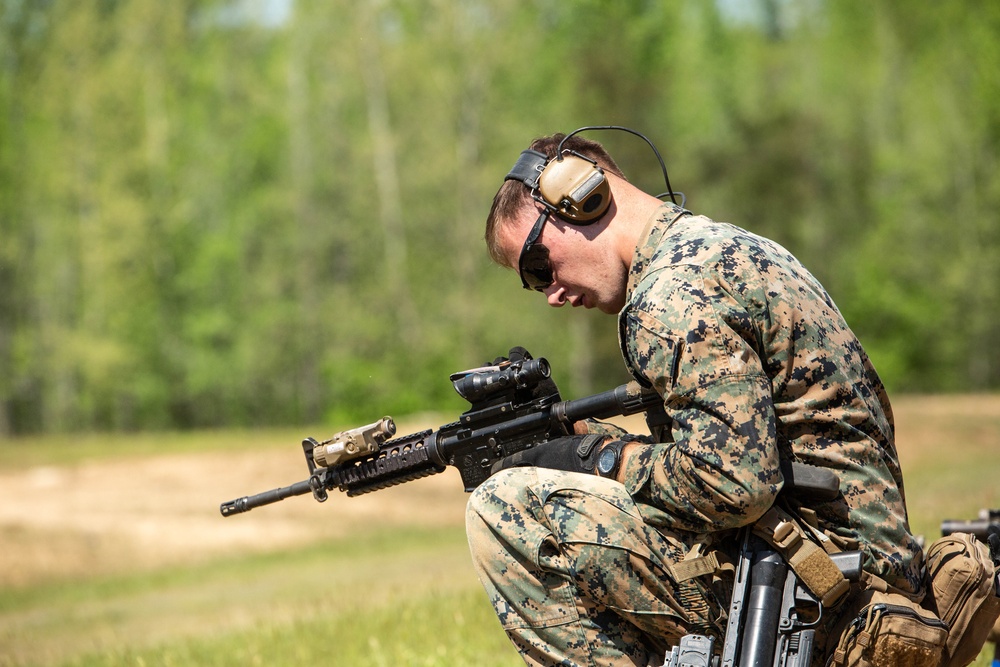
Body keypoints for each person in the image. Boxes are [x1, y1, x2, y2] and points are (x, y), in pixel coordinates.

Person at [464, 131, 925, 666]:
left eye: (539, 267)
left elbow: (734, 486)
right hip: (858, 580)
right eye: (531, 283)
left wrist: (598, 458)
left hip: (819, 601)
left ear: (581, 197)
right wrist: (590, 447)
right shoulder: (720, 249)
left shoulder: (670, 296)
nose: (551, 294)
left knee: (506, 508)